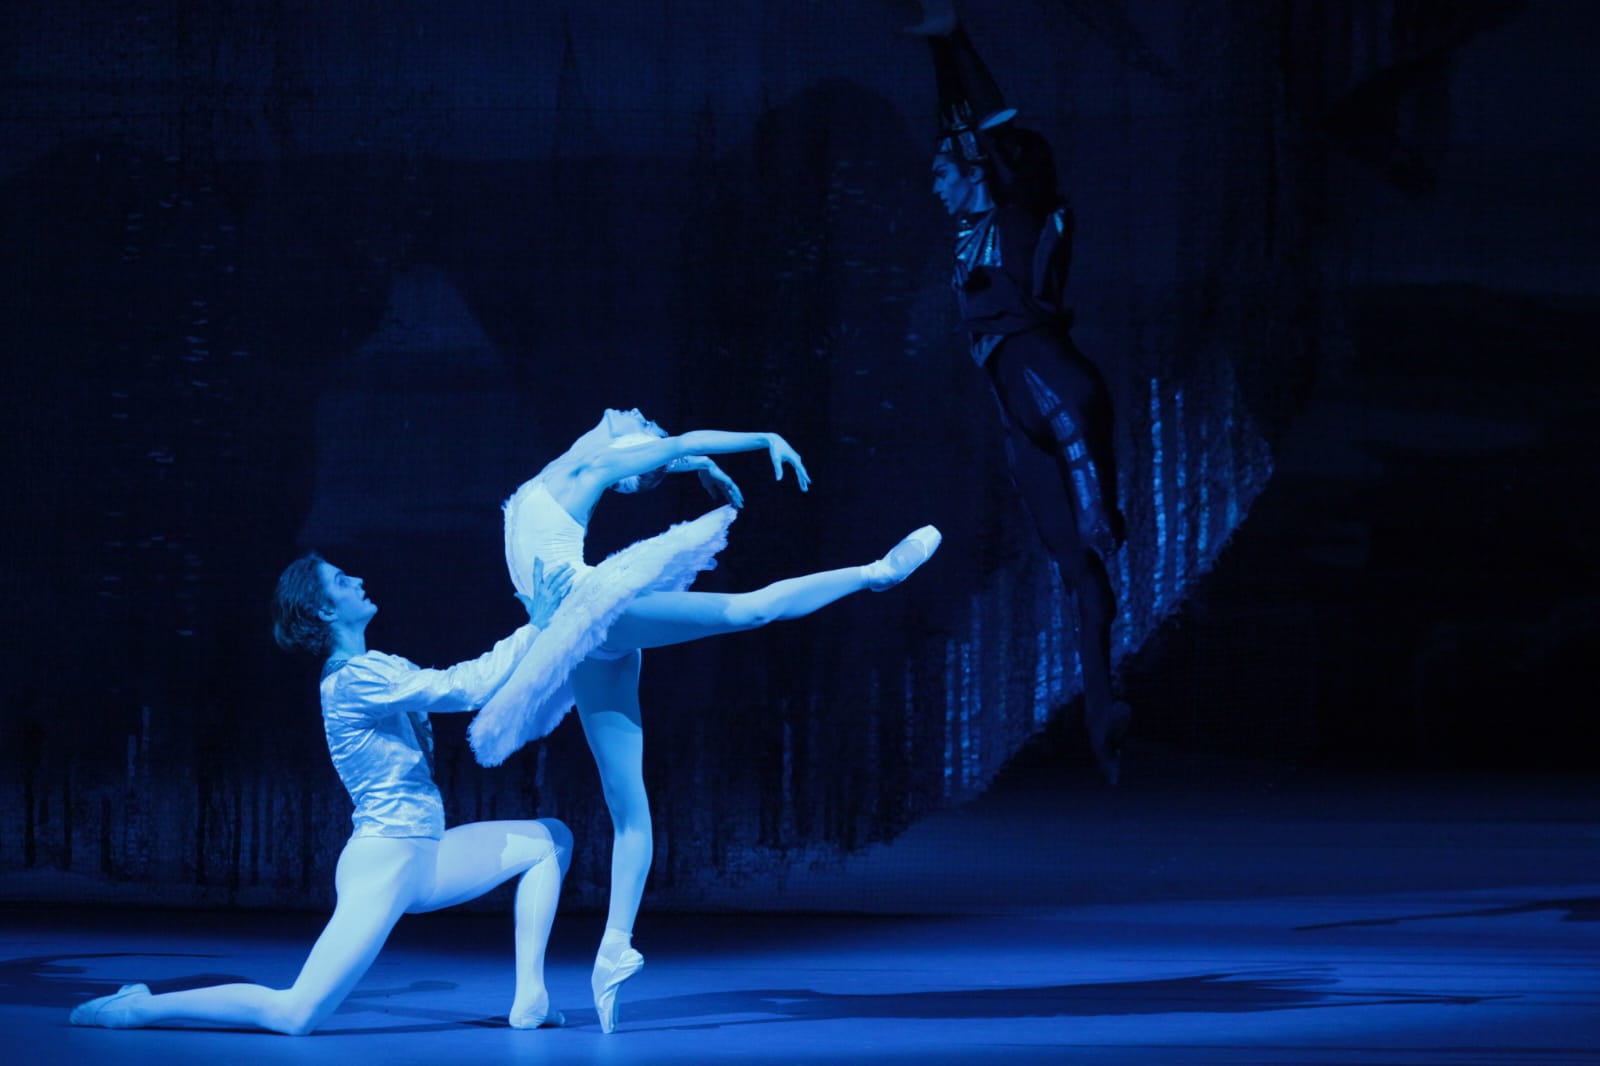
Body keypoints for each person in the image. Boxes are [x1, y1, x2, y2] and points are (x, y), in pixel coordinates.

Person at [468, 407, 942, 1033]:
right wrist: (706, 459)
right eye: (648, 427)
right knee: (627, 809)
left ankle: (875, 574)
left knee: (745, 613)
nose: (638, 415)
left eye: (643, 426)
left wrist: (749, 442)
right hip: (574, 636)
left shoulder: (590, 466)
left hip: (592, 613)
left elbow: (673, 444)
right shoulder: (584, 463)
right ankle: (613, 951)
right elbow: (673, 445)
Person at [68, 555, 576, 1035]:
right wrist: (535, 627)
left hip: (426, 853)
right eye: (340, 581)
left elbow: (473, 687)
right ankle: (136, 1009)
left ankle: (530, 999)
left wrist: (541, 639)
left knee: (550, 840)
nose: (356, 581)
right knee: (296, 1013)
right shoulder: (354, 680)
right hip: (387, 858)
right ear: (325, 610)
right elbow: (464, 688)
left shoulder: (379, 665)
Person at [907, 0, 1133, 784]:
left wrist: (956, 40)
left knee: (1094, 536)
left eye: (945, 169)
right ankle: (1104, 706)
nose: (932, 181)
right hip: (1019, 415)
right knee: (1076, 569)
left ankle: (1106, 699)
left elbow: (990, 131)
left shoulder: (1017, 214)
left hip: (1054, 389)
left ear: (979, 173)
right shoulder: (969, 227)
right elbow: (961, 126)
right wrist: (939, 60)